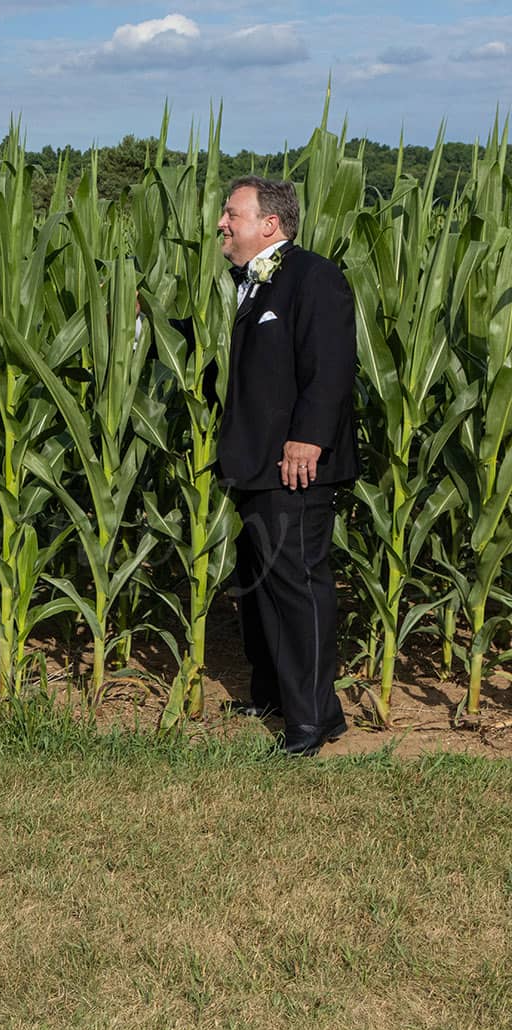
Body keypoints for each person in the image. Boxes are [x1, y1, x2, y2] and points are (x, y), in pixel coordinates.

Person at [215, 176, 358, 755]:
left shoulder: (313, 276)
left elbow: (331, 366)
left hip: (294, 463)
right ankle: (277, 695)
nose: (222, 223)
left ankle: (313, 721)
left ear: (269, 224)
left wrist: (308, 439)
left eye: (232, 214)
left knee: (298, 586)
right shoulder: (240, 284)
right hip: (252, 462)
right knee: (261, 588)